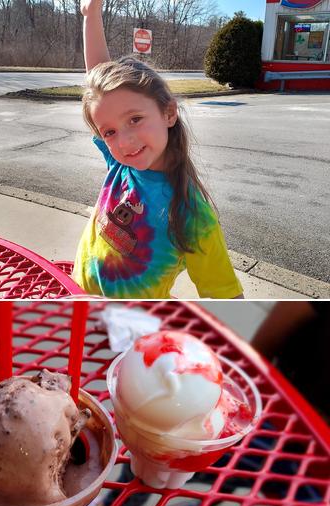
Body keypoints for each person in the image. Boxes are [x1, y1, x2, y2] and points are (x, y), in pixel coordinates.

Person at [72, 0, 243, 299]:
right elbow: (98, 83)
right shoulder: (120, 167)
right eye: (109, 131)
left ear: (168, 113)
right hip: (76, 296)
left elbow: (225, 296)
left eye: (135, 119)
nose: (124, 142)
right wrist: (92, 14)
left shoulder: (192, 214)